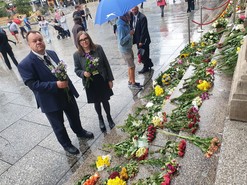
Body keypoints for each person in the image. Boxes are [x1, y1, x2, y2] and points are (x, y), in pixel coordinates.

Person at [17, 31, 94, 155]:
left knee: (74, 115)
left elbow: (61, 71)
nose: (38, 42)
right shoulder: (25, 64)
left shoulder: (52, 53)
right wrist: (55, 85)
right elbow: (33, 85)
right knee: (58, 125)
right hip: (49, 100)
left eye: (40, 39)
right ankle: (66, 144)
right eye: (34, 41)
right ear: (28, 44)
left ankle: (79, 131)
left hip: (66, 93)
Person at [73, 31, 115, 131]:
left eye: (86, 38)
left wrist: (110, 79)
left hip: (101, 78)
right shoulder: (77, 55)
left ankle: (109, 117)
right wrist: (83, 73)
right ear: (78, 42)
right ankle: (100, 118)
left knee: (105, 100)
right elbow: (77, 69)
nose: (84, 41)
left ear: (89, 38)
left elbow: (106, 64)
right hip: (90, 81)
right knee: (96, 102)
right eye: (81, 40)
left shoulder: (98, 48)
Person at [116, 12, 142, 90]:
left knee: (130, 66)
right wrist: (130, 34)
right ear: (123, 16)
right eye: (128, 15)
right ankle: (133, 84)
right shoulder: (121, 26)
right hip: (125, 50)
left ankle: (130, 81)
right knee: (132, 66)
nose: (130, 17)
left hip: (128, 48)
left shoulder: (125, 23)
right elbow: (121, 42)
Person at [131, 6, 153, 74]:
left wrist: (141, 41)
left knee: (144, 53)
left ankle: (146, 67)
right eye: (132, 10)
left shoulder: (142, 17)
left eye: (134, 10)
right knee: (141, 53)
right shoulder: (133, 17)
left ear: (137, 9)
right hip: (137, 39)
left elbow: (144, 30)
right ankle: (148, 64)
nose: (133, 11)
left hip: (143, 40)